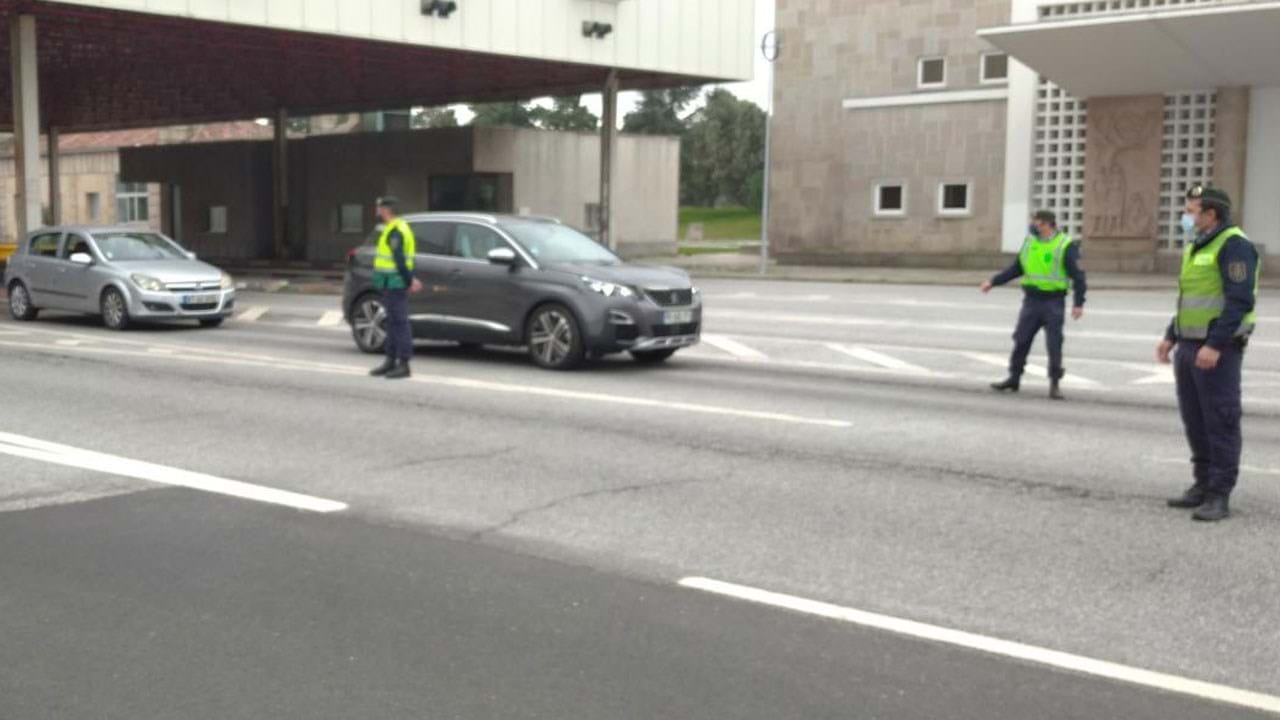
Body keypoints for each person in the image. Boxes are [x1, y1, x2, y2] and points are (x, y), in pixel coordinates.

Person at [1158, 184, 1260, 522]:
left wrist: (1215, 344)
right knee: (1195, 420)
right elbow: (1192, 299)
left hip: (1217, 351)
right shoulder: (1197, 247)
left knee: (1220, 420)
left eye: (1191, 211)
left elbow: (1239, 301)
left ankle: (1219, 494)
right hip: (1189, 347)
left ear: (1210, 214)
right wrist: (1170, 336)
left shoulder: (1234, 246)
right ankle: (1201, 484)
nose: (1186, 217)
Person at [981, 210, 1087, 400]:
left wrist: (1078, 303)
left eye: (1037, 224)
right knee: (1021, 339)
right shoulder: (1030, 243)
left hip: (1053, 301)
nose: (1034, 227)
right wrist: (994, 282)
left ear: (1048, 224)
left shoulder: (1065, 245)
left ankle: (1054, 384)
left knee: (1054, 343)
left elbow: (1078, 276)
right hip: (1031, 300)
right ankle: (1014, 377)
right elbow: (1017, 268)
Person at [369, 196, 422, 380]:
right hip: (389, 282)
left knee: (399, 322)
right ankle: (390, 360)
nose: (377, 210)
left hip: (396, 282)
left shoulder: (396, 231)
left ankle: (404, 364)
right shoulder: (392, 228)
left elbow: (400, 260)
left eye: (379, 207)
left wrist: (409, 281)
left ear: (386, 209)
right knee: (391, 321)